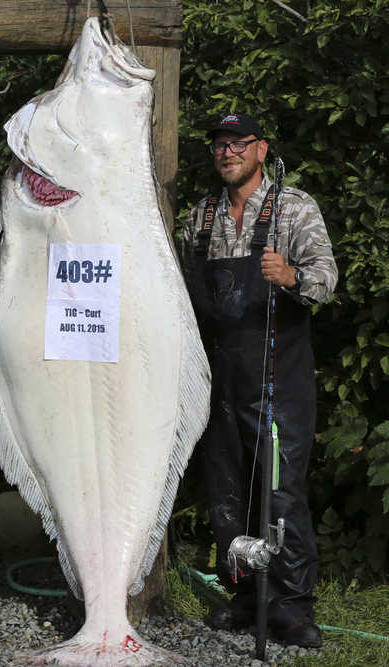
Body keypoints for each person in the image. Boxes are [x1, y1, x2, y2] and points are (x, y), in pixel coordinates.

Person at [182, 113, 337, 648]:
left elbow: (325, 281)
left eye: (238, 145)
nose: (228, 153)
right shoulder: (199, 218)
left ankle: (292, 604)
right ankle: (245, 595)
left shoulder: (295, 208)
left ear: (261, 150)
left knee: (280, 492)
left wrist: (290, 276)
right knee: (227, 493)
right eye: (221, 145)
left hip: (279, 380)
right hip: (220, 380)